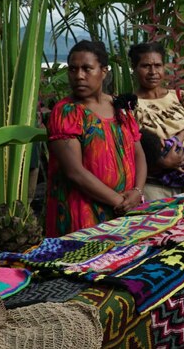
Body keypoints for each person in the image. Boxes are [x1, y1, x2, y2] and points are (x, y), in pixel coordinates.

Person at [45, 40, 147, 237]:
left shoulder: (120, 106)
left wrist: (137, 191)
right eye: (73, 69)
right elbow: (75, 172)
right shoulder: (67, 112)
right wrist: (119, 202)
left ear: (104, 71)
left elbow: (139, 153)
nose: (79, 76)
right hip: (84, 216)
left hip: (125, 213)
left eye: (87, 69)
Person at [129, 42, 184, 199]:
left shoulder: (181, 98)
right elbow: (132, 151)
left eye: (158, 65)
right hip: (155, 188)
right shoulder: (129, 107)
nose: (153, 72)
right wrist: (162, 162)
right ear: (134, 67)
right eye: (145, 66)